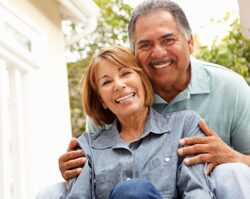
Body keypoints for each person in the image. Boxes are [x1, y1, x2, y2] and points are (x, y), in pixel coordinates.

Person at [59, 0, 250, 181]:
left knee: (233, 171)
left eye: (168, 40)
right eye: (145, 45)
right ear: (134, 53)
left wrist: (233, 156)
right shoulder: (119, 100)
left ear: (190, 43)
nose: (158, 53)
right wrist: (77, 169)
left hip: (208, 189)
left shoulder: (230, 87)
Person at [66, 45, 215, 198]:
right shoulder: (87, 148)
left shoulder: (185, 126)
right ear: (101, 100)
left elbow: (197, 192)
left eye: (125, 73)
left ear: (142, 80)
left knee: (134, 190)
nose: (118, 85)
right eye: (106, 82)